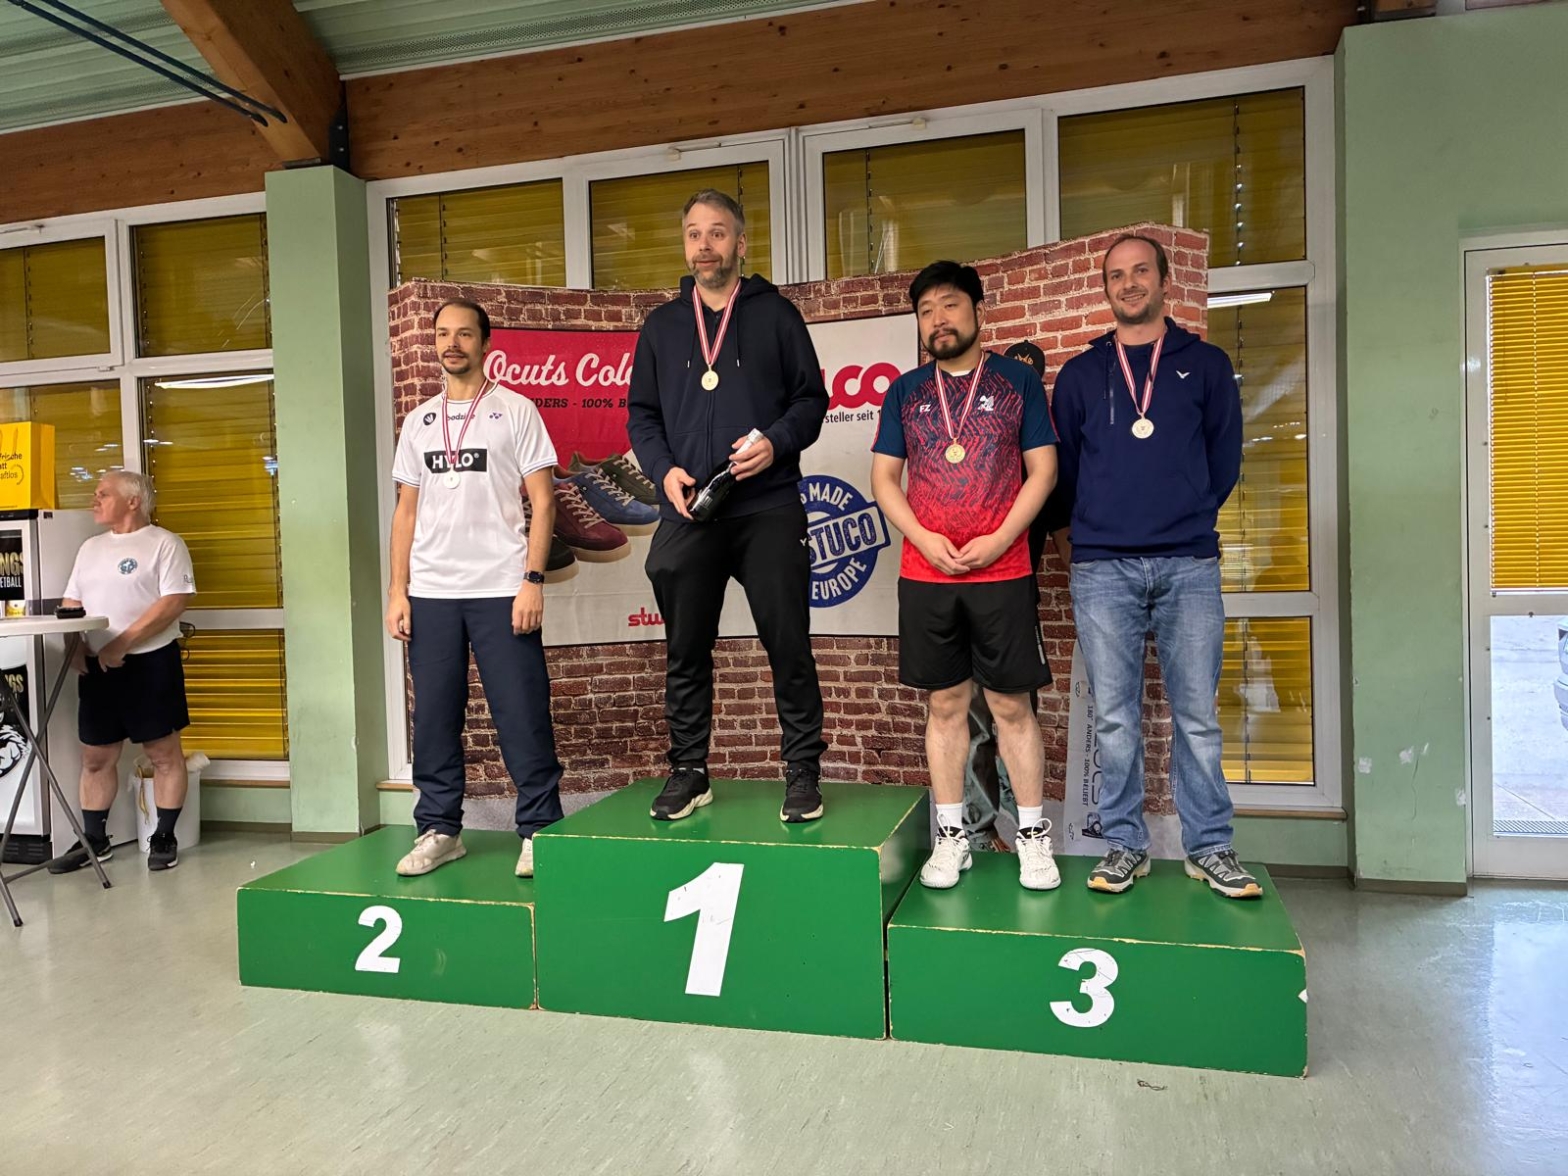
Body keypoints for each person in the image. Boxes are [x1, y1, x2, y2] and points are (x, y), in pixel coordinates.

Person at [1052, 233, 1260, 899]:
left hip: (1187, 564)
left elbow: (1223, 460)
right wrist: (1091, 532)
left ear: (1164, 281)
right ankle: (1124, 845)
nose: (1129, 283)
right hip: (1103, 569)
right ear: (1105, 288)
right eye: (1117, 275)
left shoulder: (1206, 365)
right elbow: (1067, 473)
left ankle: (1211, 847)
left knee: (1197, 717)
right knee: (1115, 718)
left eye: (1141, 270)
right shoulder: (1081, 376)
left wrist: (1185, 512)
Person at [627, 189, 830, 823]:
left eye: (717, 233)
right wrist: (663, 471)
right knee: (685, 650)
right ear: (685, 245)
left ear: (740, 243)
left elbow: (811, 401)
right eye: (694, 233)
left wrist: (777, 441)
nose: (705, 245)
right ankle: (690, 771)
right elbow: (642, 414)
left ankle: (802, 771)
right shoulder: (662, 326)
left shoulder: (777, 316)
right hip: (692, 507)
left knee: (788, 644)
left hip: (766, 506)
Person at [870, 260, 1060, 891]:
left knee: (1010, 705)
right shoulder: (905, 391)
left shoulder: (1016, 382)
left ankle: (1033, 838)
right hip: (927, 574)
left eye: (949, 305)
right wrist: (923, 538)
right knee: (945, 704)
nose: (938, 320)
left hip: (1002, 571)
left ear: (978, 310)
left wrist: (1000, 539)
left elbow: (1043, 471)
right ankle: (951, 838)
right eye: (925, 311)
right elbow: (884, 479)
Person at [387, 297, 565, 878]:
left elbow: (544, 501)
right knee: (435, 719)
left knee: (522, 713)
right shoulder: (418, 421)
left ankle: (539, 829)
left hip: (501, 587)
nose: (452, 343)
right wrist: (397, 591)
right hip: (432, 593)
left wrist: (532, 581)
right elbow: (405, 513)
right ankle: (440, 829)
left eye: (464, 333)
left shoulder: (516, 410)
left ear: (486, 343)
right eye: (443, 334)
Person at [48, 471, 195, 874]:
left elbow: (174, 602)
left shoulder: (165, 543)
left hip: (150, 661)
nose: (94, 500)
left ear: (133, 501)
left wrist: (123, 643)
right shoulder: (90, 548)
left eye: (103, 494)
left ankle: (163, 836)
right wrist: (74, 645)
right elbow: (72, 602)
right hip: (98, 666)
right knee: (96, 756)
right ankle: (94, 841)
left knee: (163, 753)